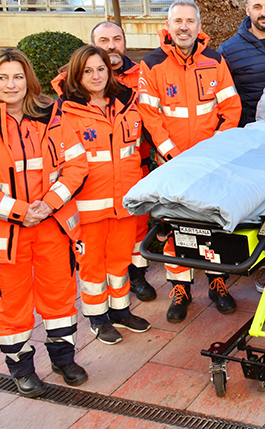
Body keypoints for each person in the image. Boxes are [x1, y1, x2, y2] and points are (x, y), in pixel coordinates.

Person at [0, 49, 89, 397]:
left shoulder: (54, 117)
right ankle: (22, 368)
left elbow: (77, 166)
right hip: (4, 237)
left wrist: (47, 205)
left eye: (17, 76)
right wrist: (19, 210)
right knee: (13, 308)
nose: (11, 84)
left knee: (60, 300)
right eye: (2, 78)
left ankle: (64, 360)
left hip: (53, 228)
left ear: (28, 79)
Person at [138, 0, 243, 323]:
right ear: (168, 26)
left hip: (211, 163)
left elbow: (232, 108)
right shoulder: (152, 64)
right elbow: (150, 116)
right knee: (173, 227)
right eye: (178, 21)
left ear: (199, 27)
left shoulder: (215, 59)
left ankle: (217, 281)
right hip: (172, 163)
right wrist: (173, 155)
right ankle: (180, 288)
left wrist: (215, 151)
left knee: (212, 224)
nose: (184, 27)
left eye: (190, 21)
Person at [59, 45, 152, 345]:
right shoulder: (64, 113)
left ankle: (120, 310)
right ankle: (98, 319)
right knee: (92, 266)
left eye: (100, 69)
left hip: (124, 203)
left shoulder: (128, 103)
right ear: (77, 75)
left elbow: (137, 150)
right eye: (87, 71)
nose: (96, 75)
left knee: (120, 260)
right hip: (86, 207)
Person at [90, 21, 157, 302]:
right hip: (96, 175)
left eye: (117, 39)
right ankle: (104, 288)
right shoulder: (76, 79)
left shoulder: (142, 74)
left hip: (136, 165)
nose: (111, 46)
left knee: (137, 226)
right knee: (102, 235)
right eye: (103, 40)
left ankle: (137, 276)